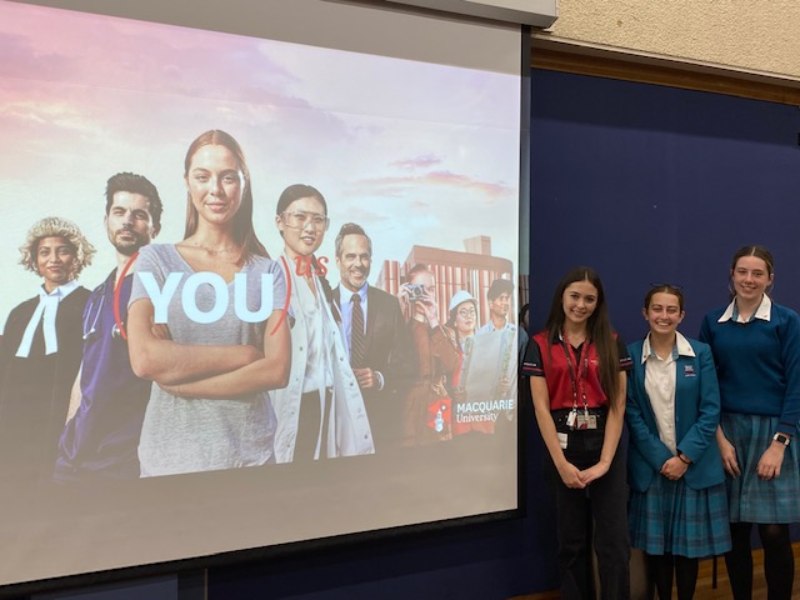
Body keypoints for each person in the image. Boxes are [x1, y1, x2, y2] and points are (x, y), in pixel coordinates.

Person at [127, 129, 290, 477]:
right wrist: (244, 355)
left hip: (250, 458)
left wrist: (178, 377)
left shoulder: (269, 272)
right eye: (203, 176)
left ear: (243, 184)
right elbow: (144, 359)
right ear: (187, 181)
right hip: (169, 462)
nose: (215, 190)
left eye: (228, 177)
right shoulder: (155, 260)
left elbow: (276, 370)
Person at [521, 266, 631, 600]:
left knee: (613, 543)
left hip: (604, 445)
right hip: (562, 444)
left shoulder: (612, 343)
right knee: (571, 542)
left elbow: (618, 406)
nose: (580, 305)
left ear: (598, 303)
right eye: (575, 296)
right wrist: (562, 465)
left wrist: (605, 463)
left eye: (589, 299)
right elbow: (540, 409)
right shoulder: (540, 344)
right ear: (562, 297)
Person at [699, 245, 800, 600]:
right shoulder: (713, 323)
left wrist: (780, 442)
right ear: (732, 275)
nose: (749, 279)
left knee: (773, 532)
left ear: (770, 280)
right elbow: (706, 386)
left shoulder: (787, 321)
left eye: (758, 273)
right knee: (734, 531)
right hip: (726, 432)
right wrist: (718, 438)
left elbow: (797, 383)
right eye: (743, 271)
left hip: (774, 433)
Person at [55, 172, 163, 481]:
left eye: (139, 215)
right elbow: (85, 372)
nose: (128, 221)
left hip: (122, 461)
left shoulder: (159, 288)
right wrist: (68, 433)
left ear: (155, 227)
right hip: (73, 459)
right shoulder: (97, 296)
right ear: (106, 221)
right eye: (119, 212)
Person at [627, 284, 731, 600]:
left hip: (693, 468)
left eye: (672, 310)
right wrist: (662, 459)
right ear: (645, 313)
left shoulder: (700, 354)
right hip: (653, 469)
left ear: (682, 315)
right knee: (657, 550)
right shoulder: (630, 355)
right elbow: (631, 413)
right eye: (657, 308)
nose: (664, 315)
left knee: (688, 550)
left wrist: (684, 457)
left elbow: (711, 408)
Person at [270, 184, 373, 463]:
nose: (309, 227)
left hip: (326, 403)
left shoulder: (320, 281)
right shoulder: (270, 277)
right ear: (280, 222)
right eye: (300, 217)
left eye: (318, 220)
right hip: (295, 405)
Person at [0, 217, 95, 487]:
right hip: (15, 419)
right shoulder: (20, 313)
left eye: (63, 250)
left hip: (60, 415)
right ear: (34, 259)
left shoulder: (89, 303)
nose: (54, 259)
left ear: (76, 256)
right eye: (45, 252)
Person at [331, 222, 409, 452]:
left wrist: (380, 378)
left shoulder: (389, 305)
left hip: (380, 424)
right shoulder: (323, 303)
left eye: (364, 257)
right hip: (335, 420)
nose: (358, 264)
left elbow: (407, 362)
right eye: (350, 256)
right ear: (338, 260)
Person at [398, 264, 460, 444]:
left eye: (430, 289)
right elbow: (395, 360)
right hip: (411, 406)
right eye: (419, 289)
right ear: (408, 292)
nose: (425, 295)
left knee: (439, 454)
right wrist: (400, 311)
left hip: (438, 402)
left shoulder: (444, 332)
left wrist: (433, 320)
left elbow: (453, 366)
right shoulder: (404, 328)